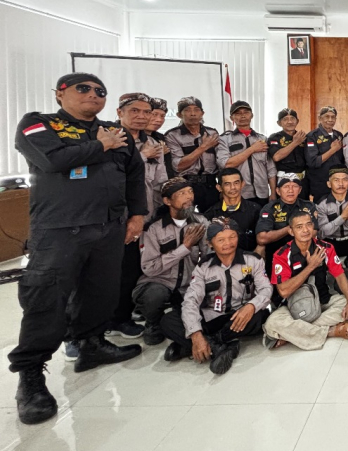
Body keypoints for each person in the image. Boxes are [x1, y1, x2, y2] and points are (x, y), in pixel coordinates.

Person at [11, 73, 146, 425]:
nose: (93, 95)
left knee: (100, 292)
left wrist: (137, 215)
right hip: (59, 230)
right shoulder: (39, 124)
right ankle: (31, 376)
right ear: (60, 94)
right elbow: (52, 161)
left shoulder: (114, 132)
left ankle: (91, 345)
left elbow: (134, 174)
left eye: (100, 91)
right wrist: (101, 147)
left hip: (109, 228)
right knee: (46, 300)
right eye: (83, 89)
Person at [160, 217, 271, 374]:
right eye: (221, 240)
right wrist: (196, 334)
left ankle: (190, 346)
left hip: (238, 316)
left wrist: (251, 306)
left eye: (232, 237)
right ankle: (220, 347)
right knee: (168, 321)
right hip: (211, 316)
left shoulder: (253, 261)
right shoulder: (203, 267)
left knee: (260, 316)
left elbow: (266, 289)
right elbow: (191, 300)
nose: (228, 243)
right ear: (210, 243)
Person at [107, 92, 167, 340]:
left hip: (144, 218)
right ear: (120, 112)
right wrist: (142, 156)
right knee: (106, 271)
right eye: (135, 111)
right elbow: (108, 174)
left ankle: (123, 315)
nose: (142, 116)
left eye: (146, 112)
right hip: (112, 218)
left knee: (132, 268)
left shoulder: (152, 143)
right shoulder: (108, 138)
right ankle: (100, 323)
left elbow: (159, 182)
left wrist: (162, 213)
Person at [263, 210, 348, 350]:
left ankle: (291, 334)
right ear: (291, 231)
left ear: (313, 226)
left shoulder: (325, 248)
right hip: (294, 307)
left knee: (347, 305)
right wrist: (311, 266)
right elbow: (284, 291)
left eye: (308, 225)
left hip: (323, 300)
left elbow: (340, 275)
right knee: (272, 323)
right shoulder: (281, 255)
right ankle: (330, 331)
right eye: (299, 227)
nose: (305, 230)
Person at [133, 177, 208, 346]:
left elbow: (208, 256)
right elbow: (149, 268)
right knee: (154, 295)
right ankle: (152, 323)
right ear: (167, 201)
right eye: (182, 193)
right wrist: (185, 247)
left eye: (190, 192)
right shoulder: (153, 229)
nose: (189, 197)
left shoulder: (201, 222)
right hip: (160, 281)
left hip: (188, 284)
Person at [165, 96, 220, 211]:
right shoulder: (172, 135)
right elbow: (178, 166)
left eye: (196, 110)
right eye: (187, 110)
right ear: (179, 115)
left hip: (210, 184)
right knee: (185, 217)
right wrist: (203, 147)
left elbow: (219, 160)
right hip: (185, 184)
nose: (193, 114)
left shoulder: (212, 133)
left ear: (202, 113)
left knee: (212, 217)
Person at [216, 100, 275, 207]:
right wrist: (252, 149)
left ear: (251, 115)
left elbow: (271, 169)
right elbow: (226, 164)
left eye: (246, 112)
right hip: (237, 194)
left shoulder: (262, 139)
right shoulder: (224, 139)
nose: (242, 116)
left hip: (262, 193)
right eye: (238, 113)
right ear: (232, 118)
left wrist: (273, 193)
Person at [256, 172, 317, 272]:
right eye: (286, 186)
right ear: (278, 191)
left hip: (303, 253)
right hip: (276, 254)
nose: (290, 190)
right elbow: (262, 238)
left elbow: (313, 232)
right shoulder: (270, 208)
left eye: (295, 186)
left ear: (300, 190)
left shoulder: (308, 206)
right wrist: (290, 228)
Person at [316, 168, 348, 274]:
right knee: (323, 273)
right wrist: (343, 217)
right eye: (336, 180)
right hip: (330, 242)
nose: (341, 184)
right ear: (329, 184)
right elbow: (322, 233)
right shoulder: (322, 204)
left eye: (344, 180)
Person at [202, 168, 262, 253]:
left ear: (242, 184)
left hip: (249, 258)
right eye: (227, 184)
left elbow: (262, 239)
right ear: (219, 187)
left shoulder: (255, 210)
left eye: (236, 183)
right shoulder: (211, 214)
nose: (233, 187)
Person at [267, 108, 309, 201]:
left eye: (292, 119)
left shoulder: (304, 137)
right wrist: (295, 143)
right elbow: (276, 157)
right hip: (283, 181)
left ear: (297, 121)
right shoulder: (275, 138)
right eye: (285, 119)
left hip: (302, 181)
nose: (290, 122)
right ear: (279, 123)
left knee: (303, 207)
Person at [305, 106, 345, 201]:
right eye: (327, 116)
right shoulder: (312, 136)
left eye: (333, 117)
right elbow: (313, 162)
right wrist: (332, 150)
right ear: (320, 118)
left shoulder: (339, 135)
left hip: (337, 182)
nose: (330, 120)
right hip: (320, 183)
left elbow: (342, 160)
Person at [146, 97, 175, 178]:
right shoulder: (130, 136)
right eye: (154, 114)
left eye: (162, 116)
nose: (159, 120)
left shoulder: (161, 137)